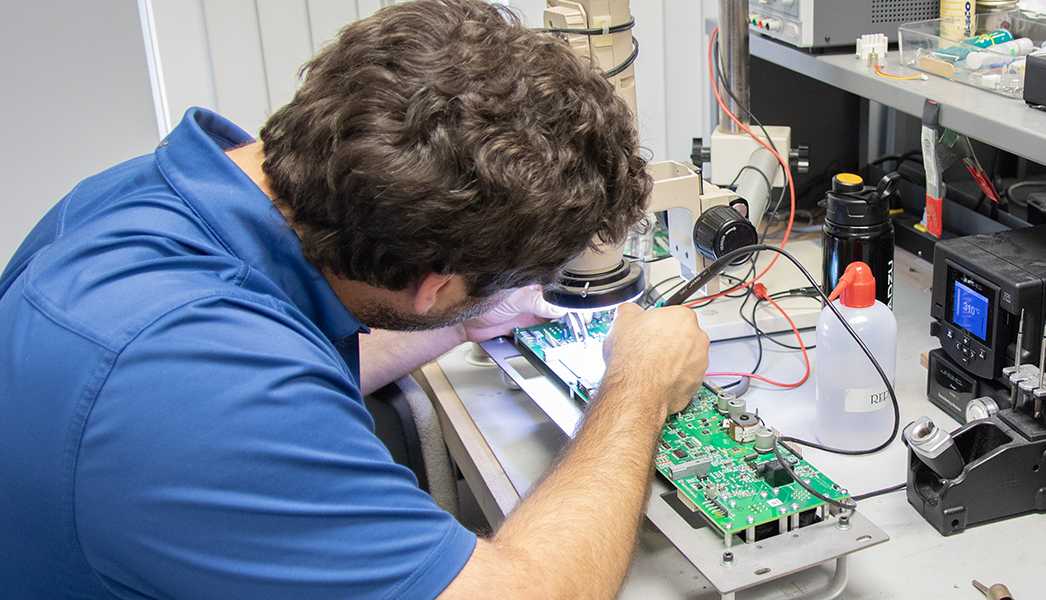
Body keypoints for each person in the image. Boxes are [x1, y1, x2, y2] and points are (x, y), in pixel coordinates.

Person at [0, 1, 709, 598]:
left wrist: (463, 324)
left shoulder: (158, 200)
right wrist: (635, 386)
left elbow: (279, 356)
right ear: (431, 284)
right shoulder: (191, 387)